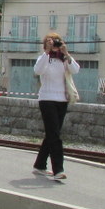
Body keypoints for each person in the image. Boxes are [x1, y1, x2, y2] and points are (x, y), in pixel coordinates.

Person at [33, 32, 80, 180]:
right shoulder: (44, 59)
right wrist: (46, 52)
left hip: (62, 100)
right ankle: (58, 169)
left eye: (57, 43)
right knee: (55, 135)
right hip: (47, 99)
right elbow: (37, 70)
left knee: (52, 134)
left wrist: (67, 54)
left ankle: (40, 165)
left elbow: (76, 69)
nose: (55, 47)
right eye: (52, 43)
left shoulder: (63, 59)